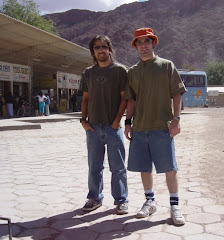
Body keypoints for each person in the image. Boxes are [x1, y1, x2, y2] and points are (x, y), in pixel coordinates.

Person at [124, 28, 187, 225]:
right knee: (144, 167)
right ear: (136, 47)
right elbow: (131, 100)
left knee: (170, 168)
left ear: (153, 43)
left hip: (162, 126)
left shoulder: (166, 66)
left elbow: (177, 93)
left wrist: (176, 119)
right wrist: (127, 122)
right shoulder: (133, 72)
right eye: (139, 42)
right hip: (140, 127)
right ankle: (150, 201)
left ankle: (175, 205)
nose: (143, 45)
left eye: (146, 41)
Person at [80, 35, 129, 214]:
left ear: (109, 49)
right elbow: (85, 98)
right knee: (94, 166)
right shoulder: (88, 73)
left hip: (113, 127)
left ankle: (121, 200)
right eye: (96, 47)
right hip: (92, 128)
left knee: (118, 167)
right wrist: (83, 121)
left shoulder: (120, 71)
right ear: (93, 51)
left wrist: (117, 122)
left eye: (103, 46)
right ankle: (94, 198)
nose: (100, 50)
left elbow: (125, 99)